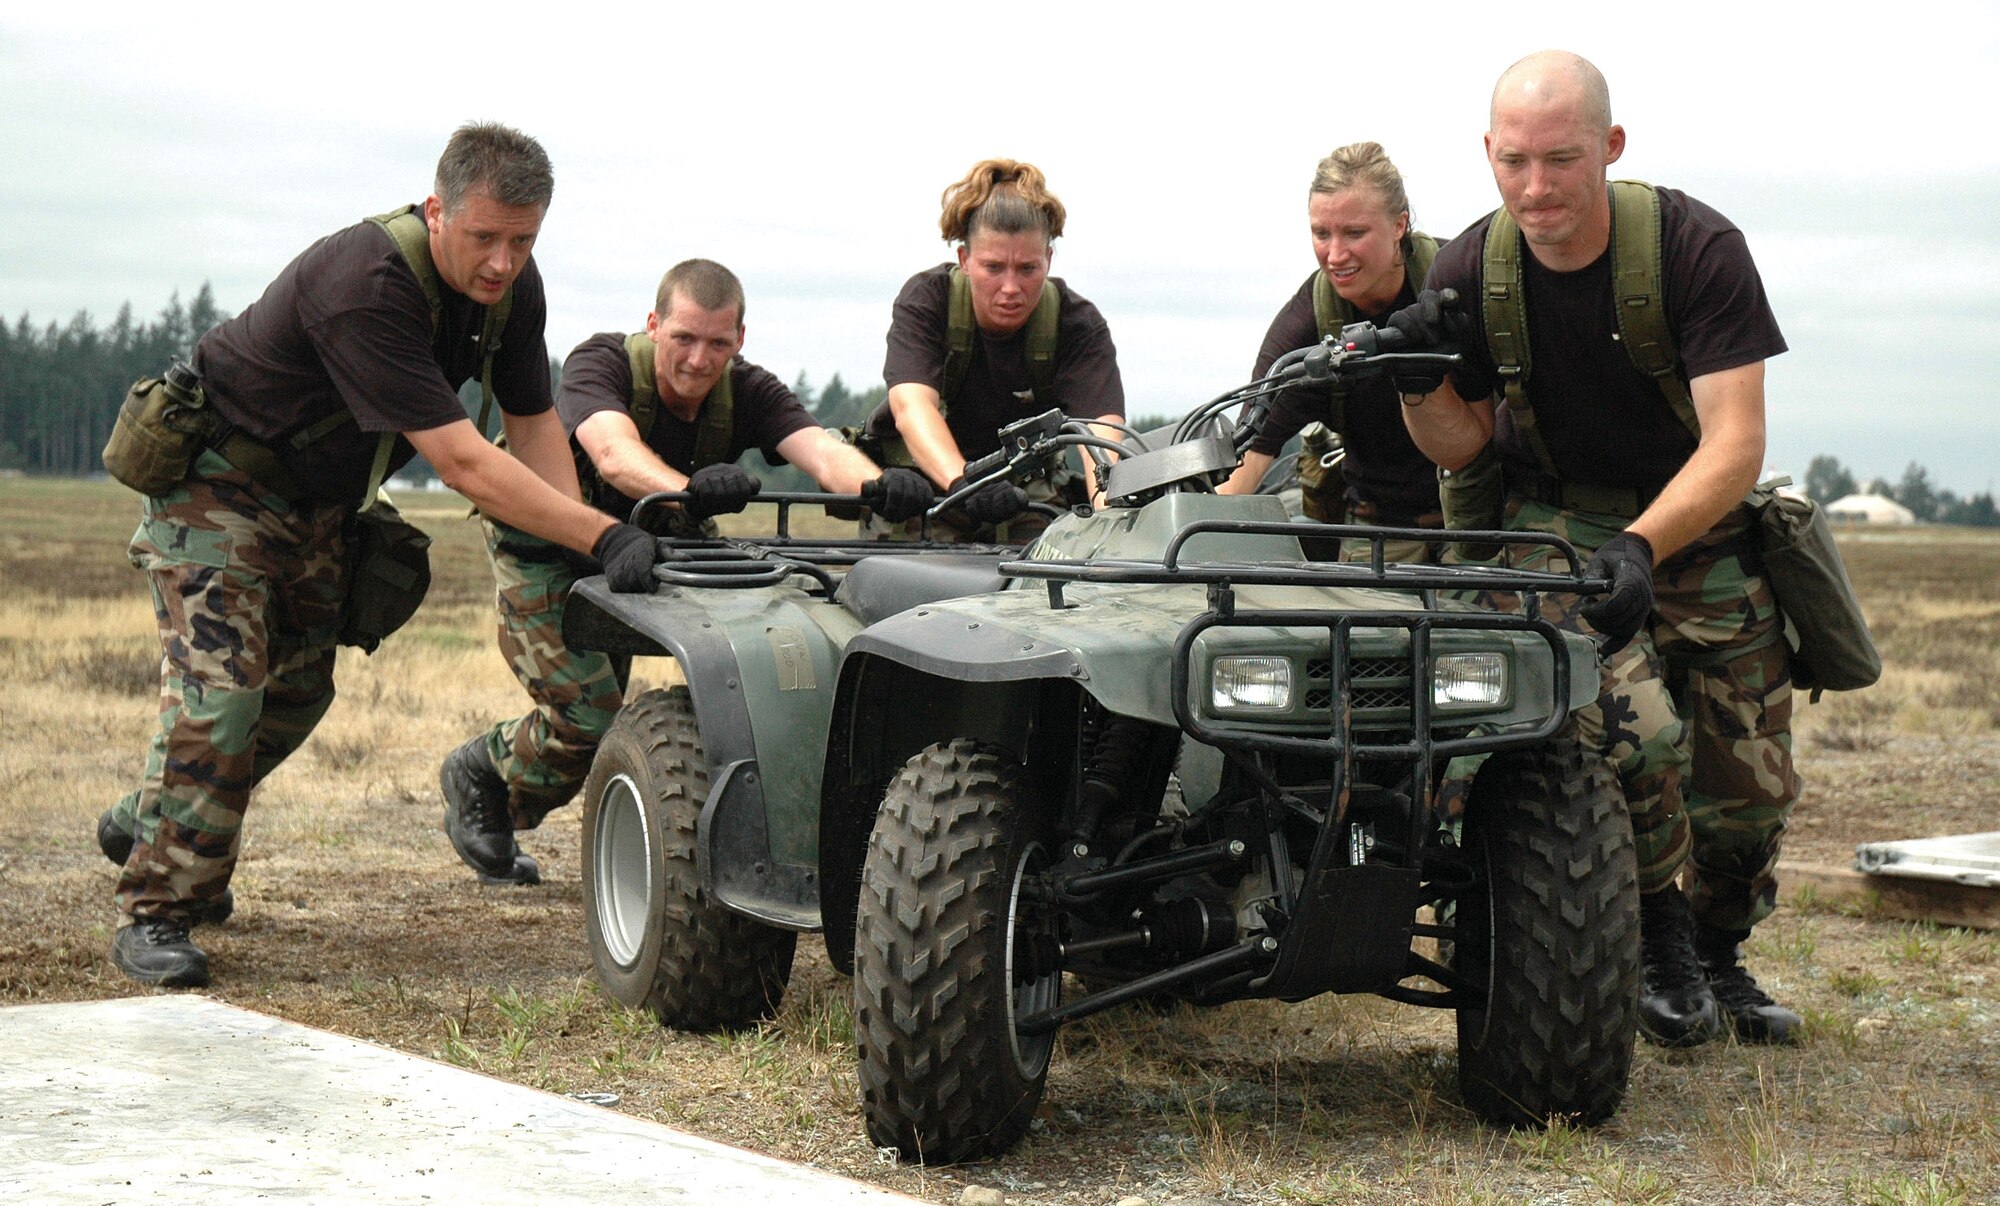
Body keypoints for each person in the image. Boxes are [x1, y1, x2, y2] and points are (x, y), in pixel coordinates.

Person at [95, 123, 667, 989]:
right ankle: (161, 907)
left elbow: (534, 424)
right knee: (225, 693)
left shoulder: (510, 293)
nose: (503, 263)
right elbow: (464, 461)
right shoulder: (365, 282)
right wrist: (604, 534)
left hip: (321, 507)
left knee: (298, 691)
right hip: (219, 488)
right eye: (484, 238)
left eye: (523, 241)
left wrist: (573, 544)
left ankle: (154, 817)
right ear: (437, 211)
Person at [1392, 51, 1801, 1045]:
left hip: (1691, 530)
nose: (1535, 189)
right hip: (1550, 534)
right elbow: (1461, 444)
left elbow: (1735, 441)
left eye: (1560, 160)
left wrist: (1640, 543)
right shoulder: (1471, 270)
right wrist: (1412, 379)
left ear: (1608, 148)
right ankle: (1658, 932)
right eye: (1513, 162)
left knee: (1746, 800)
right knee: (1635, 737)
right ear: (1488, 154)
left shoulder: (1693, 249)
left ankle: (1717, 949)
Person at [438, 259, 932, 883]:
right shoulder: (602, 364)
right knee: (588, 716)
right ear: (653, 325)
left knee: (750, 655)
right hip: (552, 539)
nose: (700, 360)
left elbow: (820, 452)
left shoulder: (749, 390)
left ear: (739, 341)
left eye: (718, 344)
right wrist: (690, 491)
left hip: (655, 538)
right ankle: (485, 773)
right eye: (684, 339)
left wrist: (879, 484)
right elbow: (614, 456)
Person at [863, 158, 1125, 540]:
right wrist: (963, 484)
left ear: (1048, 260)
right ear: (964, 260)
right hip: (931, 489)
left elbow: (1101, 440)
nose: (1010, 287)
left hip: (1024, 495)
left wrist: (1111, 520)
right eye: (993, 267)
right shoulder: (927, 301)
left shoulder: (1077, 324)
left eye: (1027, 269)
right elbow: (911, 407)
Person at [1218, 142, 1448, 565]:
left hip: (1488, 523)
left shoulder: (1463, 282)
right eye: (1322, 234)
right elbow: (1245, 459)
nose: (1335, 254)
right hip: (1379, 530)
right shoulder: (1308, 328)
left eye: (1355, 233)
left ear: (1399, 225)